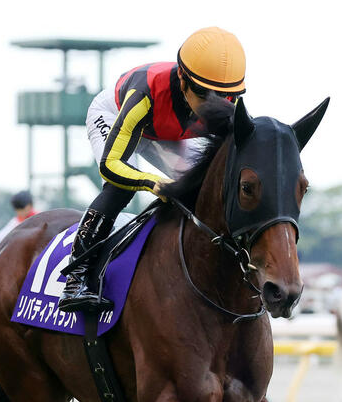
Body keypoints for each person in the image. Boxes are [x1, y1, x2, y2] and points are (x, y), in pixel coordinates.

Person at [58, 26, 246, 312]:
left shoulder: (229, 101)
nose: (214, 104)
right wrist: (151, 182)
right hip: (118, 115)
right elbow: (111, 166)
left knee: (205, 186)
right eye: (203, 93)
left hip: (168, 133)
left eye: (223, 96)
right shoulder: (144, 93)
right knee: (121, 189)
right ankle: (77, 278)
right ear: (182, 79)